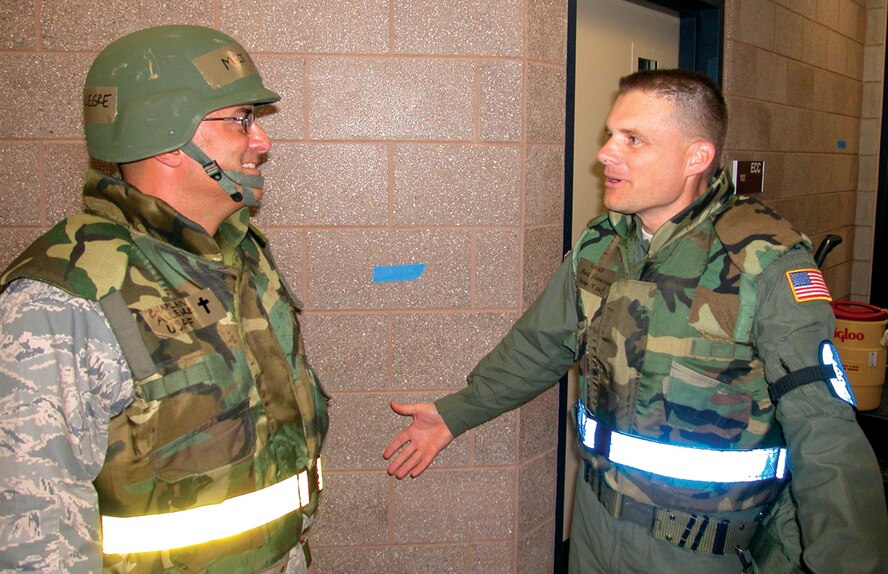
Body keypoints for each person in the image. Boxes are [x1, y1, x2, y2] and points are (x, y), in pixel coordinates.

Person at [384, 69, 888, 573]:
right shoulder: (603, 242)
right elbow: (540, 346)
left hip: (703, 549)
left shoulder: (765, 260)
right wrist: (456, 412)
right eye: (611, 134)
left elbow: (824, 429)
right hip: (596, 528)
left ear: (696, 157)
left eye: (633, 139)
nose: (606, 152)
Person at [0, 25, 328, 573]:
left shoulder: (237, 253)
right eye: (242, 119)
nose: (262, 142)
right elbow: (34, 544)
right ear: (166, 136)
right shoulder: (61, 302)